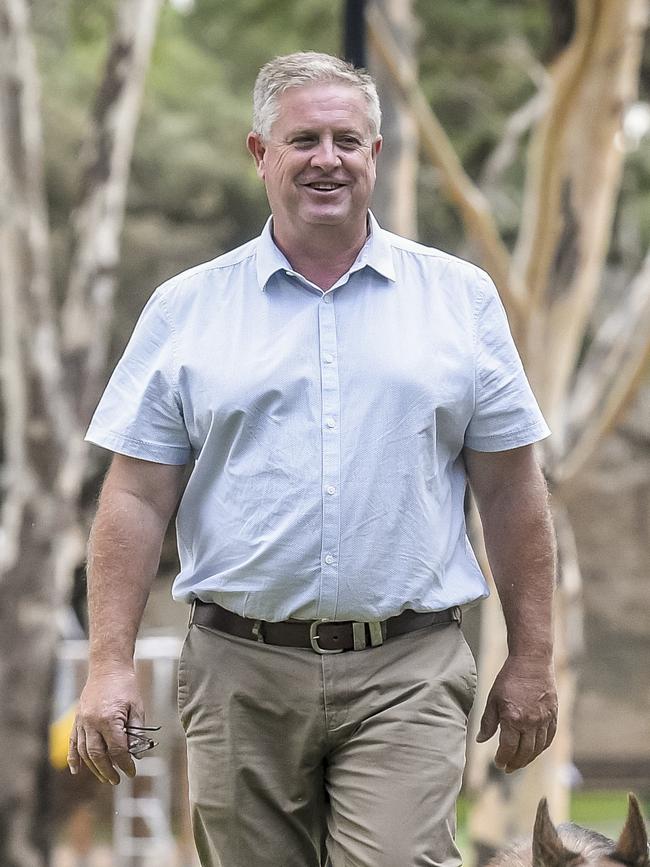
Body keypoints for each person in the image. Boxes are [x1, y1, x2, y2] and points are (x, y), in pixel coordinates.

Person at [68, 51, 558, 867]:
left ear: (375, 152)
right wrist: (108, 663)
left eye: (347, 140)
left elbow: (511, 489)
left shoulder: (459, 299)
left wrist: (533, 656)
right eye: (303, 140)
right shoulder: (186, 308)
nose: (326, 159)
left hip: (409, 666)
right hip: (237, 670)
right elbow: (136, 496)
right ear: (260, 153)